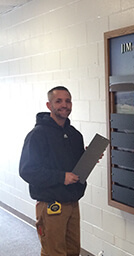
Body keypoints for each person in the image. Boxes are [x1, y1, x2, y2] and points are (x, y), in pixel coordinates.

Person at [19, 86, 86, 256]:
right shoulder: (37, 135)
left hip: (72, 203)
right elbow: (27, 170)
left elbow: (74, 167)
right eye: (59, 101)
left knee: (73, 251)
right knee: (54, 253)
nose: (65, 105)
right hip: (51, 205)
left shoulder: (75, 135)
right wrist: (61, 177)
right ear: (49, 106)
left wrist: (87, 158)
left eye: (68, 100)